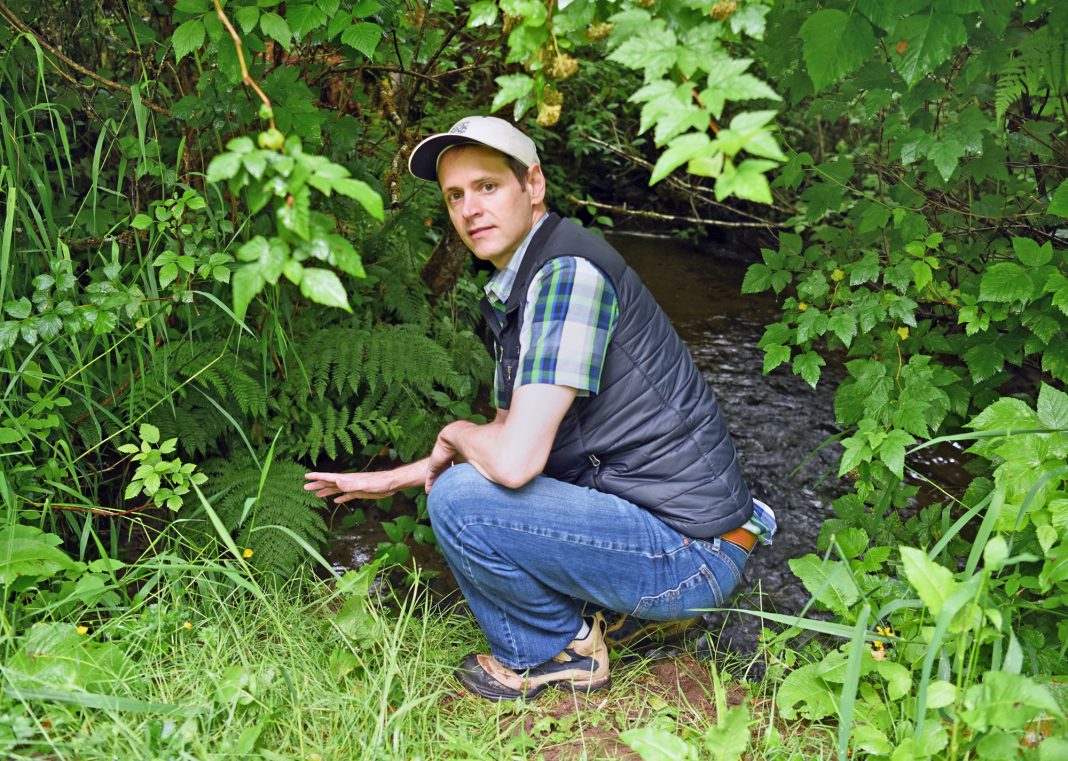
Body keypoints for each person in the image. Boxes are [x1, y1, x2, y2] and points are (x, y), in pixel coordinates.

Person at [305, 116, 775, 701]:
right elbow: (509, 431)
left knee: (461, 500)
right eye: (455, 195)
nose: (469, 208)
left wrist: (452, 433)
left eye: (487, 187)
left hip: (692, 553)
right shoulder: (524, 281)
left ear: (534, 185)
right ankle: (607, 620)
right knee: (462, 484)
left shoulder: (565, 276)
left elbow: (514, 462)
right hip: (685, 529)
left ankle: (557, 653)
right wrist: (398, 478)